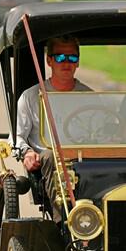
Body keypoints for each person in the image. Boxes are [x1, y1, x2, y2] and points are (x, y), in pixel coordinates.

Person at [15, 35, 92, 219]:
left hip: (83, 158)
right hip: (48, 161)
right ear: (49, 61)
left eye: (72, 58)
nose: (66, 63)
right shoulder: (30, 97)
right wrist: (27, 153)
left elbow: (102, 134)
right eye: (60, 57)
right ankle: (63, 221)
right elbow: (17, 136)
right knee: (50, 155)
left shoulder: (90, 97)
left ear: (78, 62)